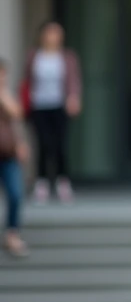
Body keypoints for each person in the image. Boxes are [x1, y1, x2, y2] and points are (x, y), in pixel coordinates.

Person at [20, 21, 82, 204]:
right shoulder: (34, 56)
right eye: (50, 33)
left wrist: (74, 97)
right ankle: (42, 183)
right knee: (43, 143)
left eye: (57, 33)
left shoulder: (67, 57)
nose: (53, 37)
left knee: (60, 145)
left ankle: (63, 182)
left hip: (59, 105)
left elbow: (74, 80)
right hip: (39, 106)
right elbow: (27, 81)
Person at [0, 59, 31, 257]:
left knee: (15, 194)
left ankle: (12, 234)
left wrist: (21, 143)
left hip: (7, 154)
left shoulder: (6, 95)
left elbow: (17, 116)